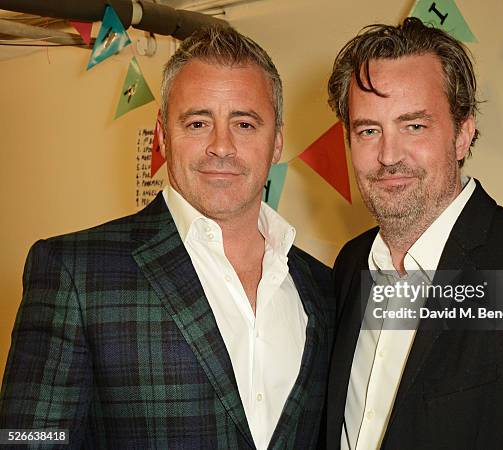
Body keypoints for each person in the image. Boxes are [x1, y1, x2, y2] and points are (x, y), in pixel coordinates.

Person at [0, 26, 334, 449]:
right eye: (198, 123)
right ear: (162, 136)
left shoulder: (324, 287)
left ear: (276, 142)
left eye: (245, 124)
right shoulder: (74, 272)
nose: (221, 146)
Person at [325, 17, 503, 450]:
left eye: (414, 126)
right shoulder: (350, 266)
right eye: (368, 130)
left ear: (463, 133)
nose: (388, 155)